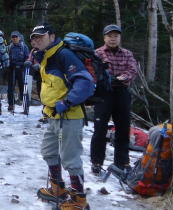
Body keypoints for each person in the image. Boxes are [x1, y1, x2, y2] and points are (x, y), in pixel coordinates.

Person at [31, 23, 94, 210]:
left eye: (40, 36)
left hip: (69, 115)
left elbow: (85, 83)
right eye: (34, 38)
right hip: (53, 115)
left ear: (52, 36)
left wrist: (66, 103)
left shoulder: (64, 55)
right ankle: (57, 188)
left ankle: (79, 199)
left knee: (70, 158)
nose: (36, 40)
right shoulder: (46, 57)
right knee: (49, 151)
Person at [90, 24, 138, 175]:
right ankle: (96, 162)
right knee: (100, 129)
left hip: (122, 92)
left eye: (116, 36)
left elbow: (132, 70)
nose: (113, 38)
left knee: (123, 128)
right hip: (103, 93)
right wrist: (106, 78)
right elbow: (92, 70)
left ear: (119, 38)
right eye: (110, 36)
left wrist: (121, 78)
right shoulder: (97, 53)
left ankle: (122, 162)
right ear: (104, 37)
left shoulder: (127, 54)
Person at [6, 31, 30, 113]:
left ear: (19, 37)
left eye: (16, 37)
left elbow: (28, 57)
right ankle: (11, 105)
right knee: (10, 88)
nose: (14, 38)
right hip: (12, 69)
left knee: (23, 88)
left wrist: (27, 62)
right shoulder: (9, 47)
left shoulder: (24, 47)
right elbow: (6, 57)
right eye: (13, 37)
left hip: (21, 69)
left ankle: (25, 106)